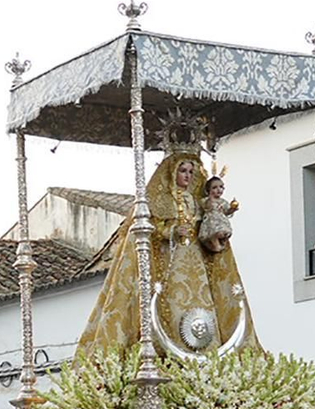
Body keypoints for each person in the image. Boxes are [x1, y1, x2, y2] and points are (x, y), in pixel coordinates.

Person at [75, 136, 257, 358]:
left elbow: (208, 220)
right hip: (170, 261)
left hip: (197, 262)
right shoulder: (160, 200)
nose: (188, 176)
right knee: (169, 304)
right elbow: (150, 227)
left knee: (203, 302)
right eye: (183, 171)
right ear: (172, 172)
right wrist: (170, 231)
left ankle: (206, 350)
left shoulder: (198, 200)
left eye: (191, 171)